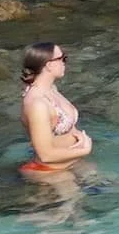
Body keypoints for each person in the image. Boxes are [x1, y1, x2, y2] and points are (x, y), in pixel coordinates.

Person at [20, 40, 93, 175]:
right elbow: (45, 155)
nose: (65, 62)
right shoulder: (38, 104)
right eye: (62, 58)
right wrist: (85, 150)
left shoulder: (51, 89)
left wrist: (80, 137)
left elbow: (68, 127)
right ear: (49, 65)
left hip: (73, 163)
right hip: (51, 172)